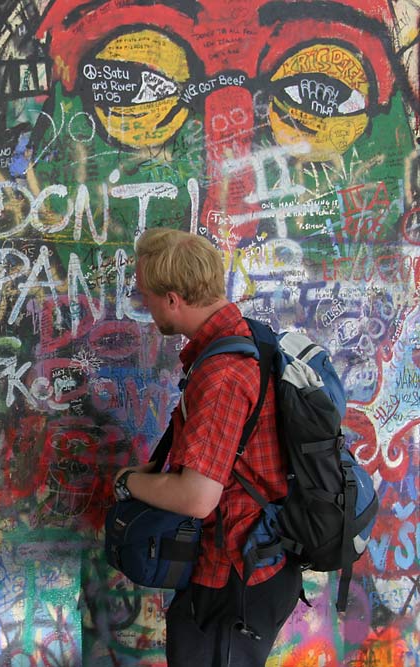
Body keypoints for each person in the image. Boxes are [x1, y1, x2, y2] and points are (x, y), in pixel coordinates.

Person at [112, 227, 301, 667]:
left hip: (233, 575)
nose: (144, 305)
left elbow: (198, 498)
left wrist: (129, 482)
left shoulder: (221, 374)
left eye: (147, 296)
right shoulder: (250, 337)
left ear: (174, 299)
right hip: (256, 564)